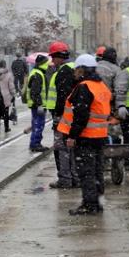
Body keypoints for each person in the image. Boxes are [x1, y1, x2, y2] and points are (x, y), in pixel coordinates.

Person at [58, 54, 111, 215]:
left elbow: (81, 115)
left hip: (86, 136)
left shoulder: (84, 87)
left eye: (76, 69)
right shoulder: (101, 85)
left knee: (86, 172)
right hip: (100, 136)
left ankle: (89, 205)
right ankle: (97, 202)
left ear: (81, 69)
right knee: (97, 171)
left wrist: (73, 136)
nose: (74, 72)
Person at [45, 41, 78, 188]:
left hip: (64, 116)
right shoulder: (75, 68)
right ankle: (75, 177)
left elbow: (63, 97)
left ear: (60, 56)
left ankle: (65, 179)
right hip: (74, 115)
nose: (52, 60)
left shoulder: (64, 71)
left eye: (53, 57)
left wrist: (58, 116)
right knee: (72, 147)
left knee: (62, 147)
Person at [27, 54, 50, 152]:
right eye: (46, 62)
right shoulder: (38, 74)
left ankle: (35, 143)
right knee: (38, 124)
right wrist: (40, 104)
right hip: (38, 105)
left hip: (36, 105)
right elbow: (35, 92)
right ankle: (35, 144)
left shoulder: (37, 72)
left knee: (36, 124)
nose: (48, 64)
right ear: (43, 63)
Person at [0, 59, 16, 133]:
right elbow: (11, 87)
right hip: (6, 96)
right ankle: (6, 128)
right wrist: (13, 94)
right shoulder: (8, 74)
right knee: (6, 113)